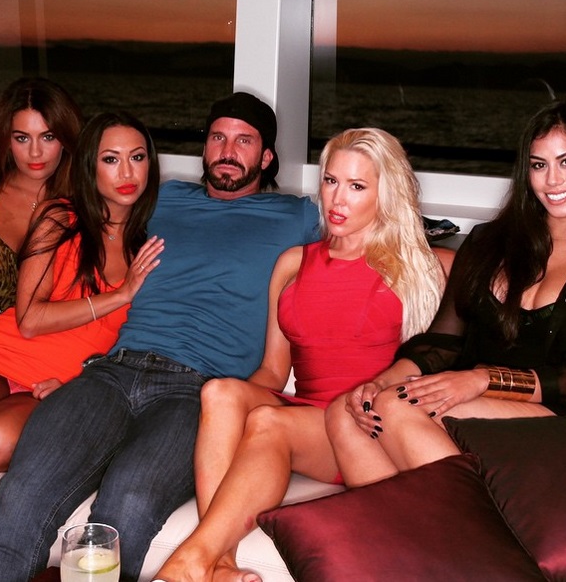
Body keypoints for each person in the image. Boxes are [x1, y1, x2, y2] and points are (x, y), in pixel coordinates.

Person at [0, 91, 321, 582]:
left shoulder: (296, 216)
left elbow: (380, 234)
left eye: (244, 141)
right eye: (217, 137)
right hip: (111, 372)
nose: (227, 150)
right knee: (23, 492)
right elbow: (85, 202)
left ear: (265, 158)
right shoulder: (161, 200)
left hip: (196, 391)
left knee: (128, 502)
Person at [153, 127, 445, 582]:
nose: (337, 199)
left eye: (357, 186)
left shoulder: (420, 268)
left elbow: (442, 355)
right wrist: (228, 408)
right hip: (305, 415)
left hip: (360, 426)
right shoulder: (294, 262)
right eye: (331, 181)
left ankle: (189, 563)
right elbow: (273, 370)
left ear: (385, 194)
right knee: (219, 393)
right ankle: (221, 564)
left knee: (269, 423)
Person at [325, 98, 566, 491]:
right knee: (346, 413)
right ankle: (428, 527)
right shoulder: (488, 242)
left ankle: (469, 524)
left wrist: (485, 379)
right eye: (539, 165)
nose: (553, 180)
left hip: (562, 418)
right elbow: (444, 342)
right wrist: (380, 382)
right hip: (478, 402)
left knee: (396, 409)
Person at [0, 111, 162, 503]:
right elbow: (30, 320)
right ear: (89, 166)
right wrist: (120, 295)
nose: (126, 172)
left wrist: (83, 381)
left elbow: (143, 345)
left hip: (59, 382)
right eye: (111, 159)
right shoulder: (60, 217)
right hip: (1, 354)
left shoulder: (152, 246)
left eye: (137, 157)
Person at [0, 77, 83, 352]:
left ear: (66, 139)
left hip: (36, 353)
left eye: (48, 137)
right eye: (22, 138)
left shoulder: (84, 208)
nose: (35, 152)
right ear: (5, 139)